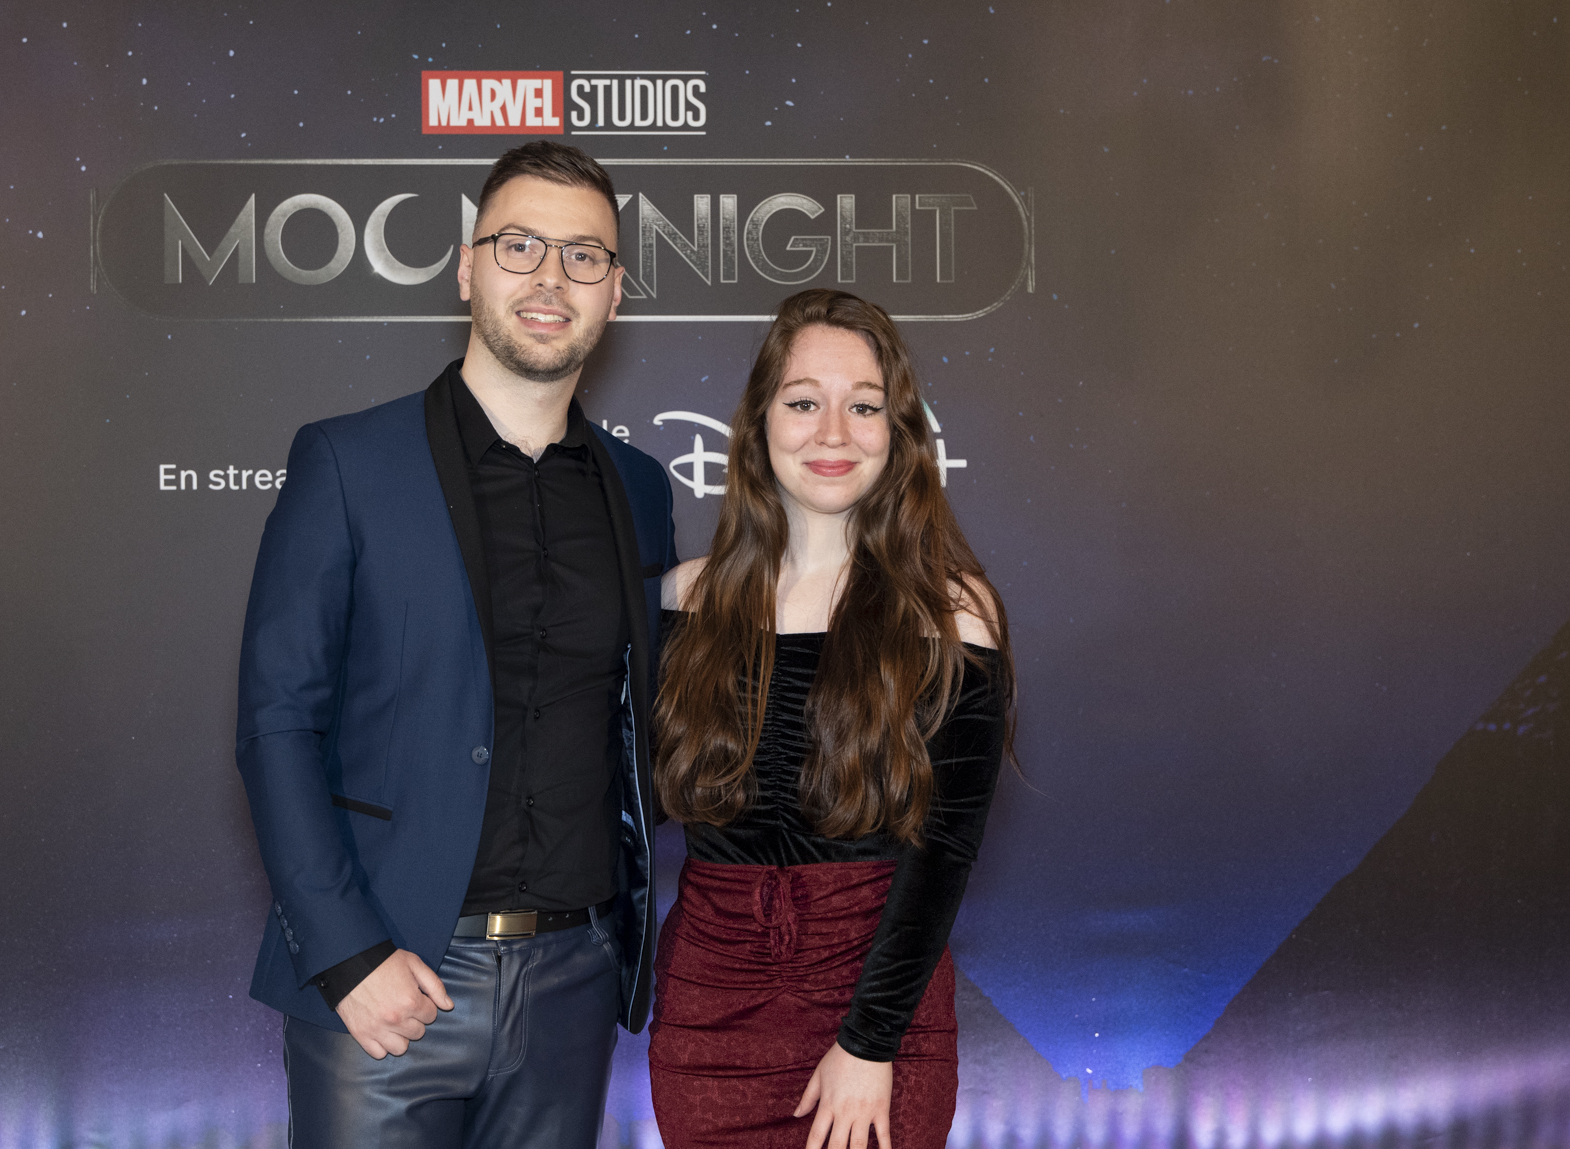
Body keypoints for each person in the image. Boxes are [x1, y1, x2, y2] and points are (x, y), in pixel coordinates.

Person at [234, 140, 677, 1149]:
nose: (551, 277)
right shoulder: (347, 461)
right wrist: (348, 956)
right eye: (520, 245)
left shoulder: (641, 490)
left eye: (584, 255)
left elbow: (638, 726)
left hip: (572, 985)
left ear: (614, 293)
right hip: (389, 984)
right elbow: (276, 723)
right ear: (467, 268)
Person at [648, 288, 1014, 1149]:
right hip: (709, 1013)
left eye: (865, 406)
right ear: (760, 421)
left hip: (876, 1016)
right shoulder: (681, 599)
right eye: (805, 402)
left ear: (901, 431)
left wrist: (869, 1042)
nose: (834, 432)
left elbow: (944, 851)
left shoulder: (954, 612)